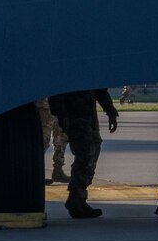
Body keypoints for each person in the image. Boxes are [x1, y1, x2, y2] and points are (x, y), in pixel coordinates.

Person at [47, 89, 119, 218]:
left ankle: (78, 197)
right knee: (85, 154)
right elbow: (55, 91)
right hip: (74, 116)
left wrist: (110, 111)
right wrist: (61, 116)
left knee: (92, 152)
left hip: (89, 116)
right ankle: (76, 198)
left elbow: (100, 90)